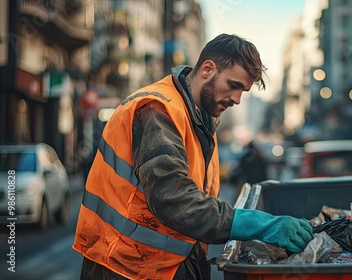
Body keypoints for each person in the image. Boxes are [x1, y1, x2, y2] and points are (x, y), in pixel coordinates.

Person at [73, 34, 314, 280]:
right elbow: (174, 200)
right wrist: (258, 225)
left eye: (243, 91)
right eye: (233, 85)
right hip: (124, 268)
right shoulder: (157, 110)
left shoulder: (199, 118)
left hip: (158, 267)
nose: (237, 99)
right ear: (208, 69)